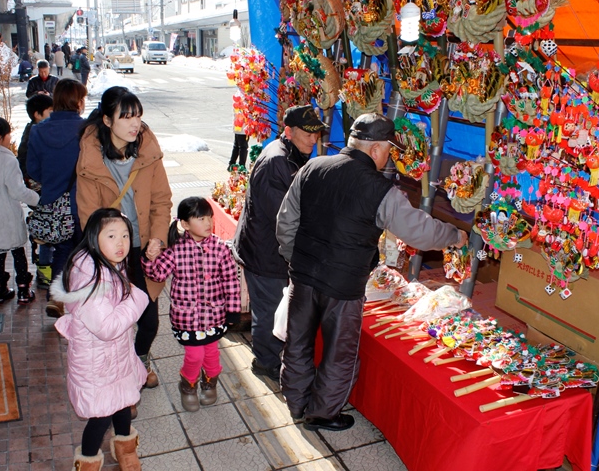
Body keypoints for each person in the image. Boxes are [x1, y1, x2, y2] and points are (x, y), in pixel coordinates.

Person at [276, 113, 469, 431]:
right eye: (388, 151)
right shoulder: (380, 189)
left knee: (297, 342)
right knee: (340, 351)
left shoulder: (312, 167)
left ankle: (296, 402)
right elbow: (418, 232)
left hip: (304, 273)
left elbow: (286, 222)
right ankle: (322, 413)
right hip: (344, 283)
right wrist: (454, 235)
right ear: (377, 149)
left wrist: (296, 259)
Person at [77, 86, 173, 392]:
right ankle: (119, 382)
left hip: (142, 250)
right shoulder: (91, 160)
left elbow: (161, 201)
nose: (135, 124)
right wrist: (103, 256)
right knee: (113, 324)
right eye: (126, 116)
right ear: (107, 120)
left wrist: (158, 238)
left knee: (149, 319)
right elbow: (89, 216)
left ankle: (139, 362)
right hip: (107, 254)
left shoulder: (147, 152)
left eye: (138, 116)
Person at [233, 104, 326, 382]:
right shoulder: (276, 161)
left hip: (272, 250)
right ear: (288, 131)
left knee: (273, 308)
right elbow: (283, 217)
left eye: (316, 134)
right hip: (265, 253)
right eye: (307, 134)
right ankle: (265, 362)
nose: (313, 139)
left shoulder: (293, 153)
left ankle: (272, 355)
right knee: (269, 311)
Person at [51, 208, 148, 471]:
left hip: (115, 355)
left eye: (126, 235)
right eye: (112, 236)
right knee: (101, 415)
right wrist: (137, 298)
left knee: (123, 401)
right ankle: (88, 461)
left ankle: (125, 449)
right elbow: (107, 327)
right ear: (94, 238)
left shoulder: (106, 263)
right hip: (97, 361)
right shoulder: (90, 279)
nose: (121, 243)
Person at [141, 197, 241, 412]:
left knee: (212, 354)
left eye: (210, 218)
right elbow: (158, 274)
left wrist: (233, 311)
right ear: (185, 224)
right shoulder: (176, 250)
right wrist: (149, 259)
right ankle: (188, 386)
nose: (208, 223)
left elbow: (231, 281)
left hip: (214, 316)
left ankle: (210, 384)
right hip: (186, 318)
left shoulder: (220, 249)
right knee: (195, 355)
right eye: (200, 218)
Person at [27, 78, 88, 318]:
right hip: (83, 203)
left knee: (62, 250)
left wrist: (53, 182)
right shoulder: (86, 130)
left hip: (54, 202)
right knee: (86, 251)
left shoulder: (38, 130)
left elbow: (32, 169)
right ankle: (83, 301)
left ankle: (57, 295)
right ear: (77, 101)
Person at [0, 117, 40, 305]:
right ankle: (23, 291)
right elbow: (18, 191)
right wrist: (38, 200)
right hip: (7, 218)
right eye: (8, 134)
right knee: (18, 252)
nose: (10, 138)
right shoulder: (7, 159)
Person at [17, 94, 54, 289]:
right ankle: (45, 270)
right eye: (50, 111)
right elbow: (28, 165)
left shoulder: (34, 131)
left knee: (47, 232)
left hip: (40, 192)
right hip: (40, 193)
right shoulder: (36, 133)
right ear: (37, 114)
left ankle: (46, 268)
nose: (53, 114)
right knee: (47, 233)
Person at [228, 102, 249, 171]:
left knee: (236, 145)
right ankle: (241, 167)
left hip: (238, 125)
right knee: (243, 147)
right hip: (242, 127)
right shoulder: (245, 97)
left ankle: (231, 164)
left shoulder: (239, 94)